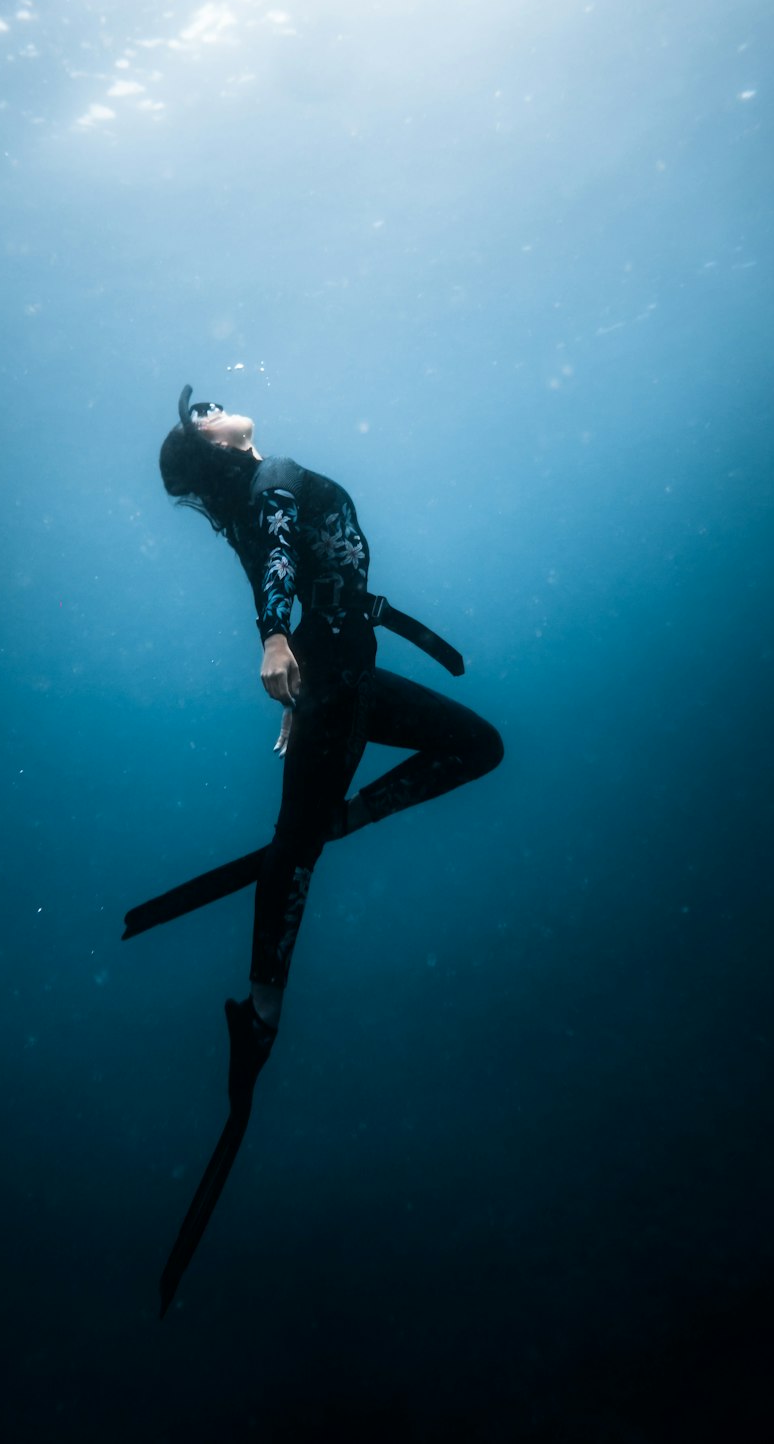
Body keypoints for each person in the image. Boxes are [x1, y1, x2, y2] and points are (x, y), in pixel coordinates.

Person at [146, 386, 504, 1314]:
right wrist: (274, 637)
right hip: (338, 693)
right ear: (208, 445)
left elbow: (289, 562)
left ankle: (333, 824)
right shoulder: (265, 488)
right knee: (293, 853)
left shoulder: (258, 489)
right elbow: (274, 557)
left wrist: (305, 646)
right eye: (205, 408)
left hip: (344, 680)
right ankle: (259, 1021)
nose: (223, 398)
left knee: (475, 748)